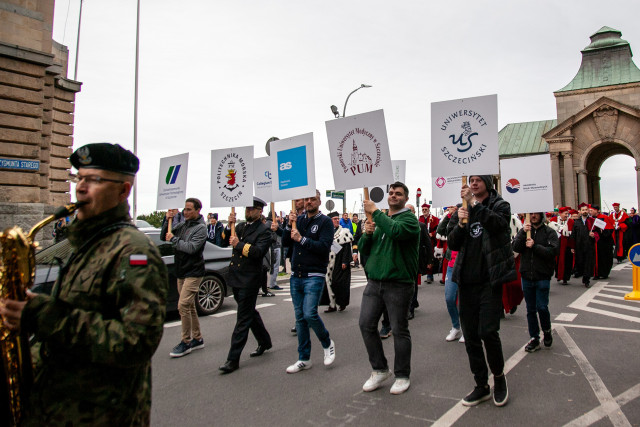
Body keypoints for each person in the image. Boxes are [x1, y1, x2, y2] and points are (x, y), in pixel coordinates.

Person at [0, 143, 167, 425]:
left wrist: (41, 315)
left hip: (99, 415)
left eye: (94, 180)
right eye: (79, 178)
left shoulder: (134, 252)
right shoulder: (88, 242)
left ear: (123, 190)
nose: (80, 187)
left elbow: (136, 342)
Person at [447, 175, 516, 407]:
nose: (473, 184)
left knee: (488, 331)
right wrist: (459, 222)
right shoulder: (461, 209)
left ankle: (498, 376)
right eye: (471, 180)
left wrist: (474, 206)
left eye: (478, 180)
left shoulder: (500, 205)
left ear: (487, 182)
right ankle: (481, 385)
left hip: (489, 279)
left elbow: (498, 225)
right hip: (466, 281)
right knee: (471, 337)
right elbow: (453, 243)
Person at [358, 182, 420, 395]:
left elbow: (395, 232)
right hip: (374, 282)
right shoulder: (381, 219)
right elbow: (365, 250)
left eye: (398, 193)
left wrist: (374, 212)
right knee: (366, 324)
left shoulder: (410, 220)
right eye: (391, 193)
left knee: (399, 329)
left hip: (399, 284)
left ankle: (402, 375)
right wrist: (366, 234)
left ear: (405, 198)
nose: (393, 196)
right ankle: (379, 369)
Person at [282, 190, 336, 373]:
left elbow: (323, 247)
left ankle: (327, 342)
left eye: (313, 199)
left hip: (314, 274)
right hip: (296, 275)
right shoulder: (299, 220)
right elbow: (285, 243)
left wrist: (302, 239)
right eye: (306, 199)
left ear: (319, 201)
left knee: (309, 314)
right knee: (299, 319)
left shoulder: (325, 222)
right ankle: (304, 358)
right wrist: (289, 226)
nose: (309, 202)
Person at [218, 198, 273, 374]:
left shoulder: (264, 230)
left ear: (259, 211)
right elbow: (223, 241)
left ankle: (232, 359)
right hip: (236, 277)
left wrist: (239, 244)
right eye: (247, 208)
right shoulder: (240, 227)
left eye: (251, 209)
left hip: (250, 279)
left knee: (242, 318)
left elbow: (258, 252)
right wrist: (228, 226)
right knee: (249, 311)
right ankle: (264, 341)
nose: (248, 211)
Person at [161, 197, 207, 358]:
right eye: (184, 209)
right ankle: (198, 338)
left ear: (197, 210)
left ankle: (186, 342)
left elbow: (192, 248)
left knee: (183, 306)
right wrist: (167, 220)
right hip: (181, 271)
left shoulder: (201, 228)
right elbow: (165, 236)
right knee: (190, 307)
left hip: (194, 272)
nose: (185, 212)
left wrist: (174, 239)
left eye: (188, 210)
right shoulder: (183, 224)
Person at [512, 212, 559, 352]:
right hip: (526, 275)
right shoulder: (525, 231)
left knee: (542, 307)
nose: (532, 216)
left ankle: (547, 330)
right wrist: (522, 233)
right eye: (530, 214)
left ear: (541, 215)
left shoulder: (550, 232)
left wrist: (535, 246)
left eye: (535, 214)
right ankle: (534, 338)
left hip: (542, 276)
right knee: (530, 310)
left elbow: (553, 251)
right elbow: (515, 247)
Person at [437, 205, 464, 342]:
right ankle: (456, 326)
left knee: (465, 301)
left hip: (467, 265)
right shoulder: (453, 220)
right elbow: (440, 231)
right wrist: (449, 215)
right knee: (449, 298)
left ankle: (466, 328)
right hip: (452, 265)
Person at [321, 212, 353, 312]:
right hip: (328, 263)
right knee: (328, 283)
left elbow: (347, 248)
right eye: (334, 219)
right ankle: (332, 304)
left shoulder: (344, 232)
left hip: (340, 262)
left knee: (339, 283)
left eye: (337, 219)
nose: (337, 220)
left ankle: (341, 303)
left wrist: (345, 261)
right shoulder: (325, 232)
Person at [407, 203, 433, 319]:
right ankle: (413, 301)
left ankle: (411, 308)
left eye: (409, 211)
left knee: (413, 283)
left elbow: (428, 244)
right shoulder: (401, 225)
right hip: (404, 260)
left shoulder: (421, 226)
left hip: (416, 259)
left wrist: (429, 260)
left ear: (413, 213)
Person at [571, 203, 599, 288]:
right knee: (581, 262)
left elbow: (598, 233)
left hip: (589, 245)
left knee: (588, 262)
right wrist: (572, 247)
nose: (585, 211)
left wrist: (594, 235)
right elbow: (573, 235)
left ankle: (587, 279)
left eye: (586, 210)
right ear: (580, 211)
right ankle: (583, 275)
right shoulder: (576, 222)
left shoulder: (592, 221)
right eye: (583, 210)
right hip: (579, 246)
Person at [548, 206, 574, 285]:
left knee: (567, 261)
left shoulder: (571, 221)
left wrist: (573, 246)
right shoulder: (553, 220)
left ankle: (565, 278)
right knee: (556, 261)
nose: (566, 215)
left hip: (567, 245)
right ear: (560, 214)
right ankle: (558, 275)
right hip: (556, 244)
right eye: (565, 213)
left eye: (567, 214)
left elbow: (573, 235)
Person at [419, 203, 439, 283]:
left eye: (425, 209)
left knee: (430, 257)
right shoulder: (420, 218)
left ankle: (430, 275)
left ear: (428, 210)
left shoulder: (434, 218)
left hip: (431, 241)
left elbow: (438, 230)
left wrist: (432, 234)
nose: (424, 211)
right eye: (423, 210)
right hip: (422, 241)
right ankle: (425, 273)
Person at [267, 213, 284, 290]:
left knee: (272, 267)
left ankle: (270, 283)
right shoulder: (272, 224)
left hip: (272, 247)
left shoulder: (267, 224)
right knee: (275, 266)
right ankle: (272, 283)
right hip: (275, 246)